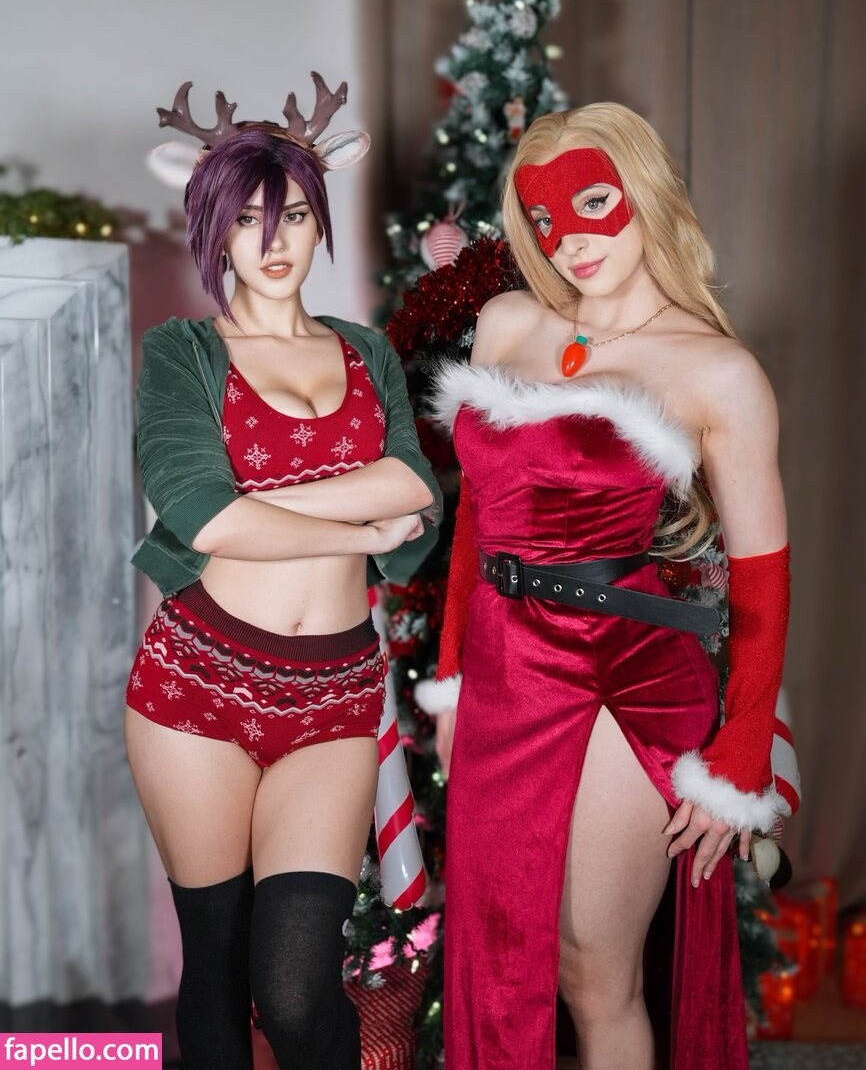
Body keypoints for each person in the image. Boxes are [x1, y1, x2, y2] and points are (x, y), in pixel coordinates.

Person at [416, 102, 790, 1069]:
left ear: (645, 192)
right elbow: (475, 522)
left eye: (592, 203)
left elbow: (762, 580)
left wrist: (743, 752)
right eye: (544, 219)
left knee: (593, 970)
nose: (569, 240)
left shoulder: (716, 370)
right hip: (502, 665)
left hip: (618, 671)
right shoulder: (507, 322)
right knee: (502, 958)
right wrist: (453, 678)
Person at [125, 75, 440, 1070]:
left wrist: (271, 508)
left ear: (318, 221)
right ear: (213, 229)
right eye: (248, 218)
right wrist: (358, 525)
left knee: (299, 994)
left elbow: (415, 492)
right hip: (196, 690)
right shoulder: (183, 352)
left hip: (334, 696)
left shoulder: (365, 351)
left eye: (295, 214)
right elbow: (203, 515)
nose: (274, 240)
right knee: (216, 975)